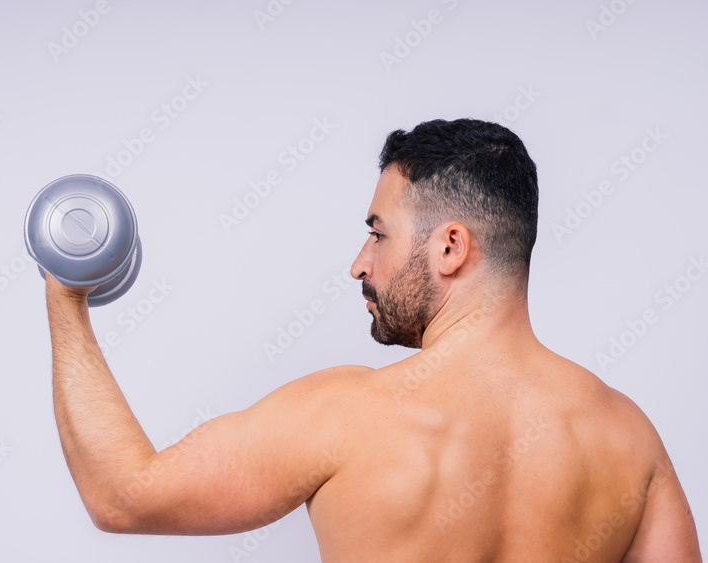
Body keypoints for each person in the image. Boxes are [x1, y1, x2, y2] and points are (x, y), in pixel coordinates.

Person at [45, 118, 702, 561]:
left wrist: (65, 293)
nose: (360, 263)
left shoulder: (348, 413)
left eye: (379, 233)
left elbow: (123, 493)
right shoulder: (630, 440)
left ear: (450, 246)